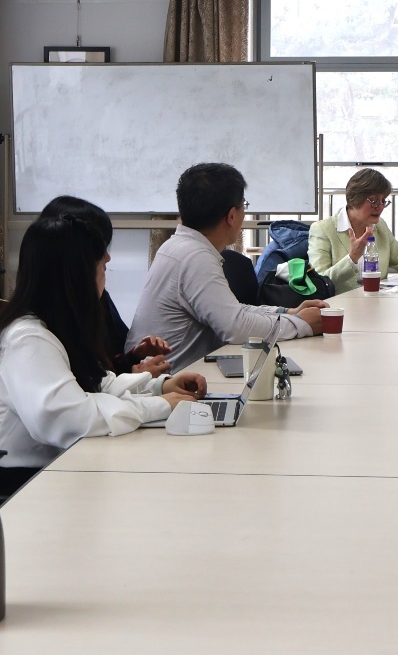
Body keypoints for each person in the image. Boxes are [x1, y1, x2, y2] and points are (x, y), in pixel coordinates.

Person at [0, 212, 206, 497]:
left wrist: (160, 387)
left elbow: (97, 384)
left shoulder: (57, 326)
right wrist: (159, 406)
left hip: (59, 468)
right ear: (77, 278)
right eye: (102, 267)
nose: (105, 277)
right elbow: (69, 419)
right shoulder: (28, 339)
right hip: (23, 485)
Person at [128, 163, 325, 372]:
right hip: (173, 380)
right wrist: (301, 325)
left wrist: (289, 313)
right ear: (231, 216)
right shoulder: (195, 257)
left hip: (168, 375)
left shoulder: (177, 246)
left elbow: (231, 310)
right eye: (244, 206)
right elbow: (236, 327)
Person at [37, 195, 173, 377]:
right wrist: (136, 378)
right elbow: (88, 385)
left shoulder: (94, 299)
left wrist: (133, 358)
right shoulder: (42, 331)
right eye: (99, 248)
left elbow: (104, 370)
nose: (107, 258)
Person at [308, 168, 398, 293]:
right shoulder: (322, 229)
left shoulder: (380, 227)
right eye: (374, 201)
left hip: (376, 302)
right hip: (340, 306)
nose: (380, 207)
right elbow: (320, 283)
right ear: (355, 198)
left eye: (383, 200)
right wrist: (352, 258)